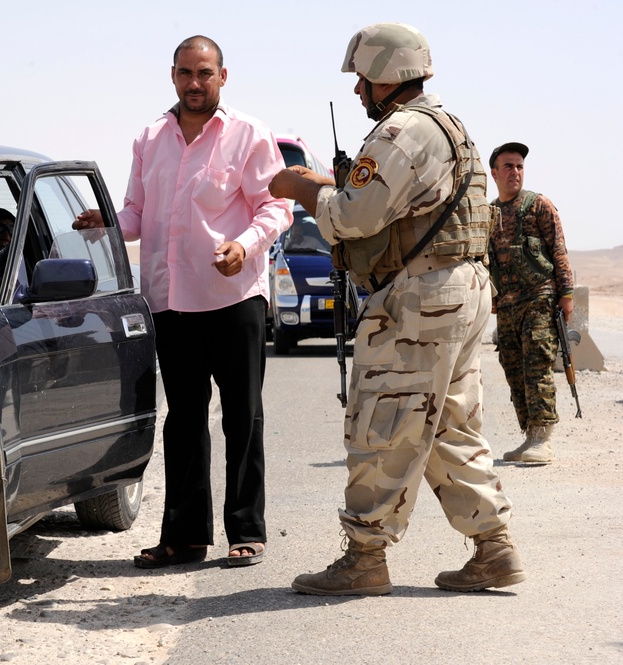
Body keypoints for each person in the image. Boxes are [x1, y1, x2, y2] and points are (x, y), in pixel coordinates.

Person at [268, 22, 525, 594]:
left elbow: (354, 216)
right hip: (460, 290)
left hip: (420, 298)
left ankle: (364, 558)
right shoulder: (448, 126)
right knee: (449, 424)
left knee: (382, 423)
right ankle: (493, 548)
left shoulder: (402, 132)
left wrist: (304, 188)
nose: (358, 91)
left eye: (363, 79)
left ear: (387, 75)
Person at [74, 35, 290, 568]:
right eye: (185, 74)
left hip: (233, 296)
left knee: (243, 416)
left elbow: (277, 207)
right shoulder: (150, 137)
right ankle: (186, 537)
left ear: (223, 75)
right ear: (172, 76)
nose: (195, 84)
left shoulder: (248, 134)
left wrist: (245, 245)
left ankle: (247, 529)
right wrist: (105, 223)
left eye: (205, 73)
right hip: (170, 300)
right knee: (184, 420)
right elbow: (136, 214)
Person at [488, 142, 574, 465]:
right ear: (494, 173)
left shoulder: (539, 205)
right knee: (513, 369)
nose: (515, 172)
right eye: (508, 166)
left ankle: (543, 438)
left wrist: (566, 295)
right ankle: (530, 435)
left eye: (520, 166)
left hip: (539, 298)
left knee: (537, 364)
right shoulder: (490, 214)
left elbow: (559, 251)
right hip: (507, 307)